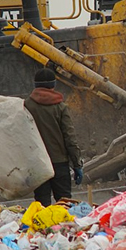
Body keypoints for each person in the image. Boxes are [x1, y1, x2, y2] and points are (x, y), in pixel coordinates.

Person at [24, 68, 83, 206]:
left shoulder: (26, 106)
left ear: (35, 85)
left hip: (38, 164)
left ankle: (45, 228)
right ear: (53, 85)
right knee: (64, 204)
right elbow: (70, 138)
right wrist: (76, 164)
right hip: (59, 164)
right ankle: (64, 228)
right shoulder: (61, 107)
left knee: (42, 205)